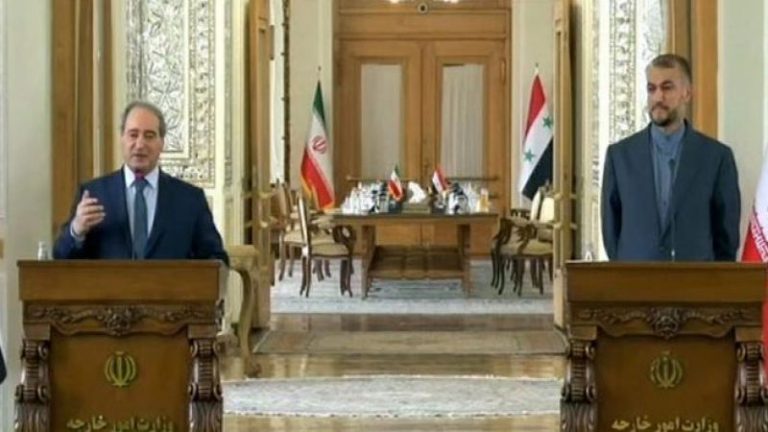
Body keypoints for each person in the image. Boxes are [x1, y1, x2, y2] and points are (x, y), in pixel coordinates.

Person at [601, 54, 740, 261]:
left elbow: (726, 238)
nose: (658, 97)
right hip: (635, 277)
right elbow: (611, 233)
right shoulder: (620, 156)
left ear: (687, 93)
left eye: (667, 88)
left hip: (695, 278)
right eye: (652, 89)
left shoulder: (716, 158)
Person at [54, 101, 229, 265]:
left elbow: (216, 260)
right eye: (133, 135)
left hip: (170, 288)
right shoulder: (94, 194)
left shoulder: (190, 199)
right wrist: (76, 230)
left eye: (149, 136)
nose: (140, 144)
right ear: (122, 139)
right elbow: (61, 257)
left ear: (162, 143)